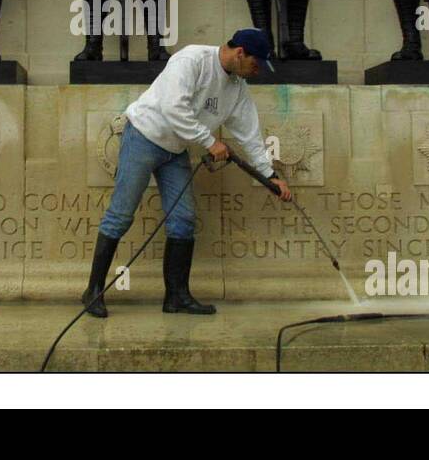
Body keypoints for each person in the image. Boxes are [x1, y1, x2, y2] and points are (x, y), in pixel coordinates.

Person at [81, 28, 292, 318]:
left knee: (183, 220)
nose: (257, 72)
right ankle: (92, 291)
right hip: (144, 136)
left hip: (176, 150)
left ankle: (177, 297)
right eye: (255, 65)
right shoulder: (192, 60)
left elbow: (249, 135)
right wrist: (210, 142)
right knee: (121, 214)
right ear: (240, 53)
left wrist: (270, 176)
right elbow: (173, 107)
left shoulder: (238, 88)